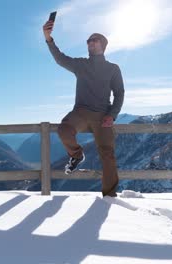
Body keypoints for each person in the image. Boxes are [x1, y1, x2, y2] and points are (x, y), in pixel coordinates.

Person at [42, 20, 125, 197]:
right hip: (80, 112)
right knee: (64, 130)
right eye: (88, 41)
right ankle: (77, 155)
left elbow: (119, 93)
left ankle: (109, 196)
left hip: (103, 115)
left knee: (107, 155)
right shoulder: (81, 65)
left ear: (103, 44)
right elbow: (60, 59)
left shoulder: (113, 68)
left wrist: (112, 115)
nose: (90, 43)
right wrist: (49, 39)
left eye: (94, 40)